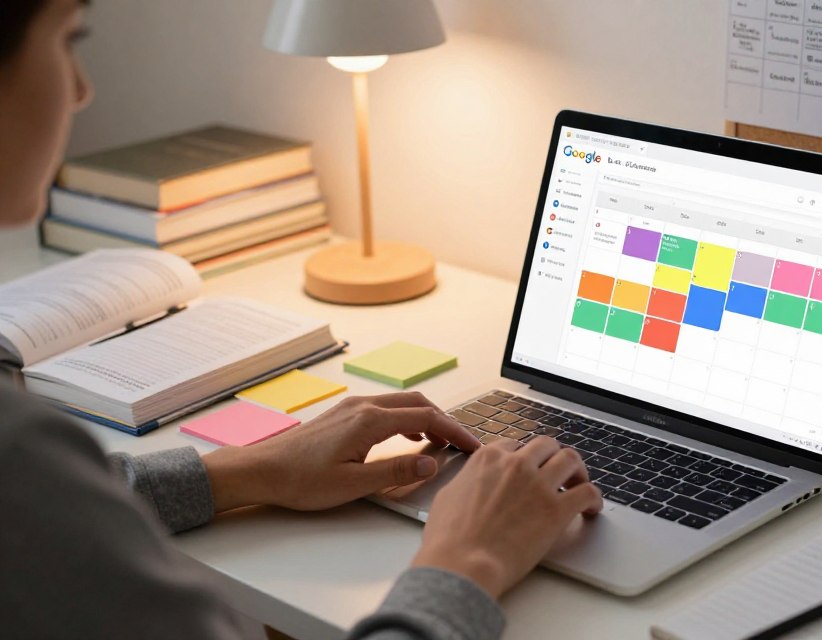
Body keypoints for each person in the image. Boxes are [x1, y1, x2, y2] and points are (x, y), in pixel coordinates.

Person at [0, 1, 604, 638]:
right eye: (71, 38)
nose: (81, 89)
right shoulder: (21, 453)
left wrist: (252, 469)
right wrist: (468, 559)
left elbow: (52, 515)